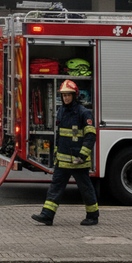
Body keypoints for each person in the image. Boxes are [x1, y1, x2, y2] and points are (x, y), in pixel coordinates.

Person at [32, 80, 99, 226]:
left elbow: (90, 135)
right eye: (64, 95)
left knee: (85, 188)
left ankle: (93, 216)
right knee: (55, 187)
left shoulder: (84, 113)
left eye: (68, 95)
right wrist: (56, 154)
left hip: (78, 161)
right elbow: (60, 136)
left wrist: (82, 155)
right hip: (62, 161)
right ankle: (47, 215)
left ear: (74, 96)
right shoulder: (61, 111)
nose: (66, 98)